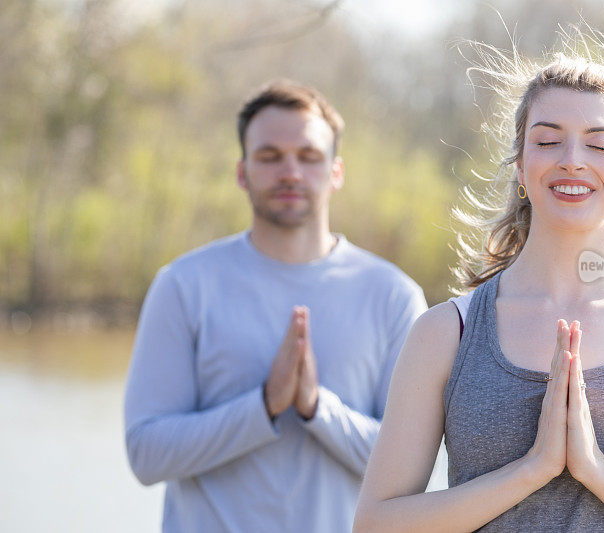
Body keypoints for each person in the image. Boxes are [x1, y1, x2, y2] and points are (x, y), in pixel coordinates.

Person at [354, 29, 604, 532]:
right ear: (522, 168)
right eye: (548, 141)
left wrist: (599, 474)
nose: (572, 159)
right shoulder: (444, 333)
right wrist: (532, 470)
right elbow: (375, 524)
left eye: (598, 144)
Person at [124, 79, 427, 532]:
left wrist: (315, 409)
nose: (290, 172)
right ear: (242, 171)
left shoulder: (393, 296)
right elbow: (146, 454)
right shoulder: (183, 285)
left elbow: (415, 475)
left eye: (308, 157)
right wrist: (263, 406)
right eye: (269, 157)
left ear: (336, 172)